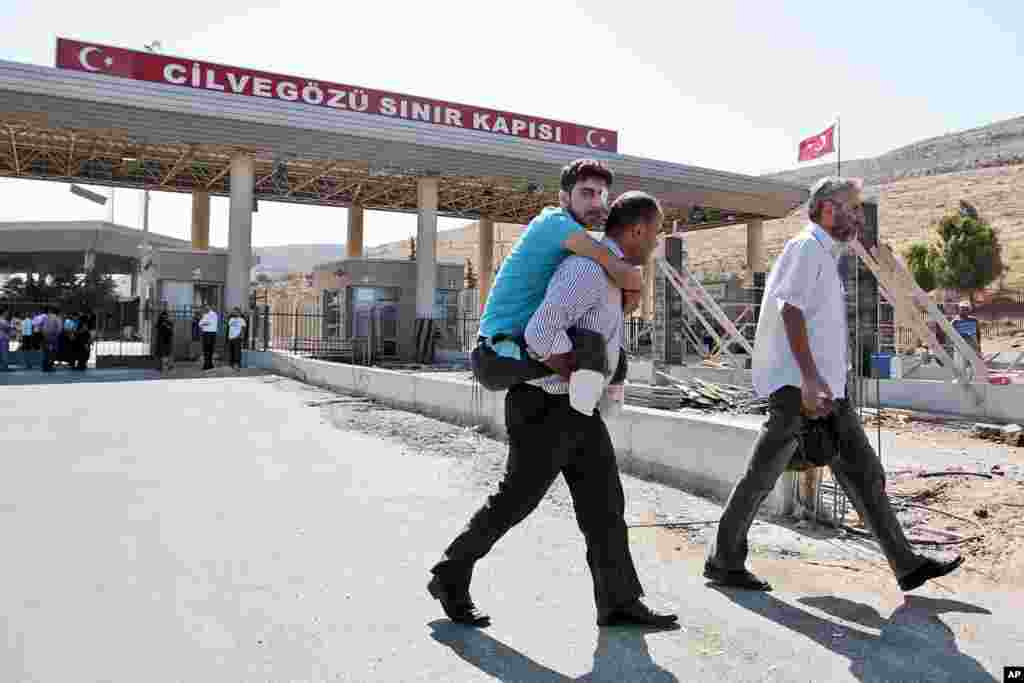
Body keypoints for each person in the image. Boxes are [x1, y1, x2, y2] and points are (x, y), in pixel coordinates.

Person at [428, 192, 676, 629]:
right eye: (655, 233)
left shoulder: (614, 275)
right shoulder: (587, 270)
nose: (656, 243)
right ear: (637, 230)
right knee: (515, 501)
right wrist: (579, 375)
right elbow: (542, 331)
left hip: (576, 409)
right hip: (544, 404)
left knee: (604, 504)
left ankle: (619, 601)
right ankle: (450, 574)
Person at [704, 177, 963, 593]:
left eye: (859, 209)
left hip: (827, 391)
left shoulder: (826, 254)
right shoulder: (807, 247)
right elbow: (790, 311)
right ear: (826, 208)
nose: (858, 216)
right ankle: (724, 559)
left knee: (865, 473)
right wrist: (808, 377)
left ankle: (906, 564)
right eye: (851, 208)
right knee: (762, 475)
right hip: (798, 390)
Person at [472, 158, 643, 415]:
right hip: (498, 352)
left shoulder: (573, 239)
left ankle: (588, 401)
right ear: (564, 198)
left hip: (518, 346)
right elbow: (615, 267)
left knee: (608, 353)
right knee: (601, 357)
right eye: (586, 193)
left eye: (601, 194)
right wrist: (632, 280)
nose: (596, 202)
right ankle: (586, 397)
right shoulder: (554, 223)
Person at [199, 305, 219, 371]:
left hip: (211, 333)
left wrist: (203, 323)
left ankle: (208, 365)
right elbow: (200, 323)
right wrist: (203, 323)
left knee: (209, 350)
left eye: (205, 308)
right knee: (206, 350)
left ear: (209, 308)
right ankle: (208, 364)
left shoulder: (213, 314)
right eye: (204, 309)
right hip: (205, 333)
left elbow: (208, 323)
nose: (204, 310)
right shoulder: (205, 314)